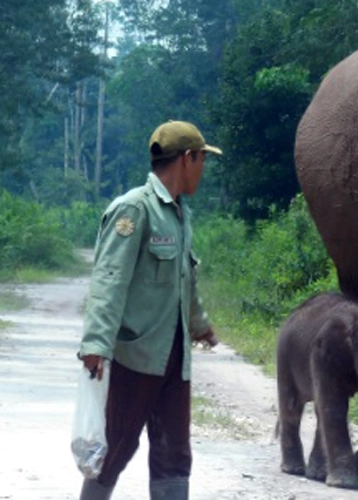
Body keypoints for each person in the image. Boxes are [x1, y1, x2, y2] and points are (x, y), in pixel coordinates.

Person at [77, 120, 222, 500]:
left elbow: (184, 282)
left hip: (175, 361)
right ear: (187, 159)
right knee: (115, 448)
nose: (203, 169)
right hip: (135, 356)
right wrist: (96, 344)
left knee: (175, 455)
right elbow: (110, 280)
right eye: (202, 159)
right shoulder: (134, 210)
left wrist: (200, 325)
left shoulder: (179, 213)